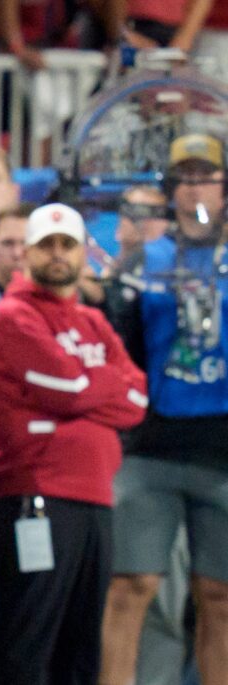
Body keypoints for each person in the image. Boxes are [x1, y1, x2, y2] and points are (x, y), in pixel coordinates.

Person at [0, 203, 147, 685]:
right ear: (27, 253)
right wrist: (97, 385)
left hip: (95, 498)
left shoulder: (94, 321)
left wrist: (84, 389)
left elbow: (137, 400)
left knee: (81, 648)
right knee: (30, 642)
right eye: (46, 245)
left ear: (82, 254)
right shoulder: (12, 316)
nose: (57, 254)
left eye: (67, 244)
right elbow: (69, 389)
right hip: (37, 494)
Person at [100, 133, 228, 685]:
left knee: (220, 596)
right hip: (150, 448)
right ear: (171, 190)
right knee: (131, 587)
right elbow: (115, 349)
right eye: (185, 178)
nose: (195, 189)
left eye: (207, 177)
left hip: (222, 454)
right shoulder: (141, 264)